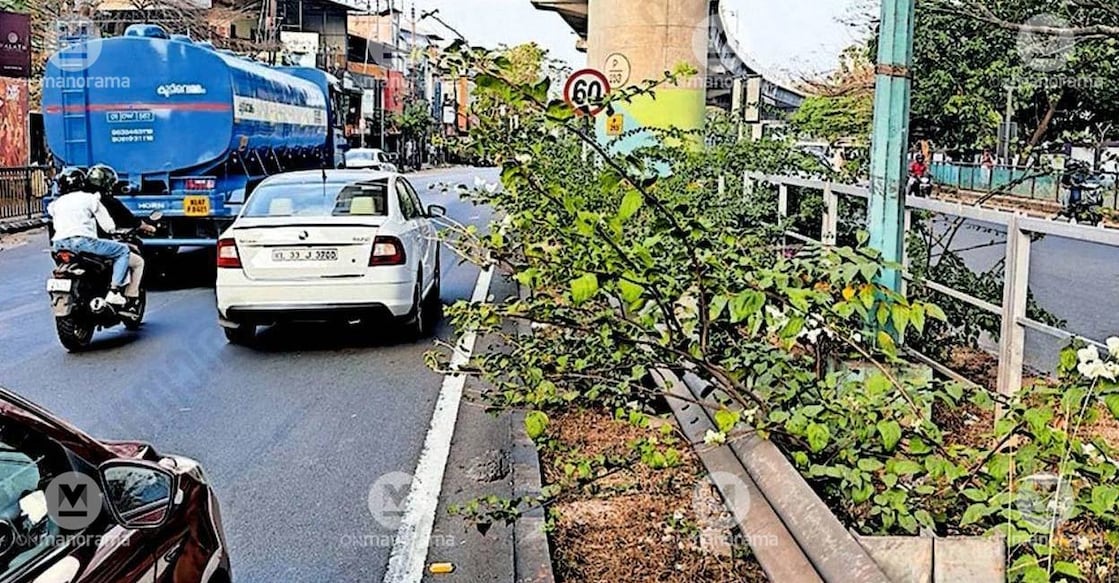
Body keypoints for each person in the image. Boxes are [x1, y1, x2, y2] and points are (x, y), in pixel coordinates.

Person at [46, 167, 131, 308]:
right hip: (84, 243)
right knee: (123, 251)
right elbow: (108, 226)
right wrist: (114, 230)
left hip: (59, 245)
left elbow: (52, 219)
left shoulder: (56, 204)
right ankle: (114, 292)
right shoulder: (91, 199)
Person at [86, 164, 153, 313]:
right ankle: (121, 293)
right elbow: (117, 224)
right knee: (133, 259)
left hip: (69, 245)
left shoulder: (78, 200)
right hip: (96, 245)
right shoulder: (104, 201)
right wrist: (148, 227)